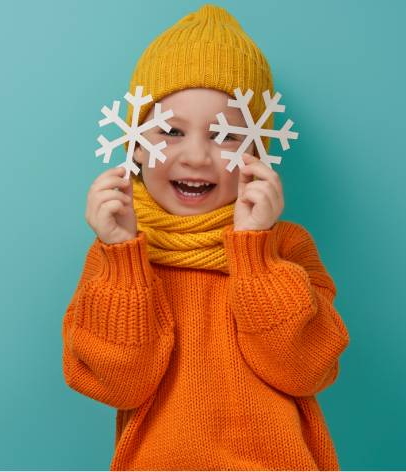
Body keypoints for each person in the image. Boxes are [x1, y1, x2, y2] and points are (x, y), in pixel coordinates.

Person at [61, 4, 351, 470]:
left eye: (226, 135)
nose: (196, 156)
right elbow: (119, 384)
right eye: (171, 132)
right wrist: (121, 256)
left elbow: (307, 368)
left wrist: (255, 252)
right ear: (133, 142)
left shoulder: (287, 247)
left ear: (259, 149)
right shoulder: (119, 255)